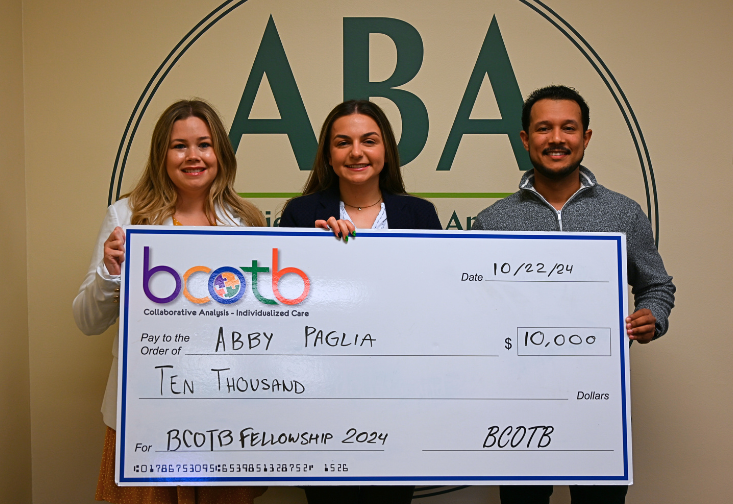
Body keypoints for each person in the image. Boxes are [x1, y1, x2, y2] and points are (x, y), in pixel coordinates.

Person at [472, 85, 675, 504]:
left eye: (569, 128)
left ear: (586, 137)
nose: (557, 138)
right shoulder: (493, 220)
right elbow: (477, 308)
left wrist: (652, 316)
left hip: (597, 401)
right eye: (543, 128)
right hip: (518, 405)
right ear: (526, 139)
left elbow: (656, 284)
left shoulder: (623, 212)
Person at [73, 99, 267, 504]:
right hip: (147, 408)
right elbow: (87, 321)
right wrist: (110, 271)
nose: (193, 156)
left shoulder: (247, 221)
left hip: (226, 407)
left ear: (221, 154)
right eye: (180, 146)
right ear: (162, 154)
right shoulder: (127, 217)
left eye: (204, 144)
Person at [280, 99, 441, 504]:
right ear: (328, 155)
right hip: (321, 402)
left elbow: (437, 306)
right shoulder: (301, 216)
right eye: (342, 142)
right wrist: (317, 255)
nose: (356, 152)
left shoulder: (420, 215)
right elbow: (282, 315)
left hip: (398, 398)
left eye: (369, 140)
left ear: (386, 150)